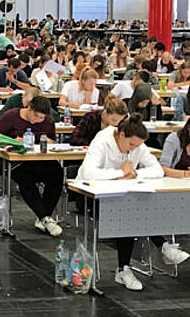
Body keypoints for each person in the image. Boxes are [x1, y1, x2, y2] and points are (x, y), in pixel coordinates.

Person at [79, 115, 188, 290]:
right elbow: (88, 172)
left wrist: (136, 174)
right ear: (121, 134)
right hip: (91, 196)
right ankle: (158, 248)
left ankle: (129, 266)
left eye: (137, 146)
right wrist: (118, 173)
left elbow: (157, 170)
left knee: (138, 205)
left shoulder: (137, 143)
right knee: (128, 211)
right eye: (131, 145)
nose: (133, 149)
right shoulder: (102, 140)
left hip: (125, 195)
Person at [0, 96, 63, 236]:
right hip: (14, 161)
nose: (37, 120)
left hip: (38, 159)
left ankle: (44, 216)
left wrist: (50, 143)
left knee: (57, 172)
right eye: (35, 116)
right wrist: (11, 141)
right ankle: (44, 218)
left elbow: (52, 140)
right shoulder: (11, 116)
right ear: (29, 108)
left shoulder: (48, 122)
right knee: (25, 177)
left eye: (41, 118)